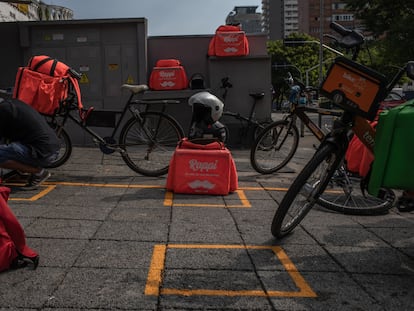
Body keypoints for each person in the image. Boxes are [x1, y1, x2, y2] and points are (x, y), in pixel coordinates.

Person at [0, 98, 60, 189]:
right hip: (51, 149)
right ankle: (21, 171)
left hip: (41, 152)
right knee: (9, 148)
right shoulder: (12, 104)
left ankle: (38, 172)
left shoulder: (3, 111)